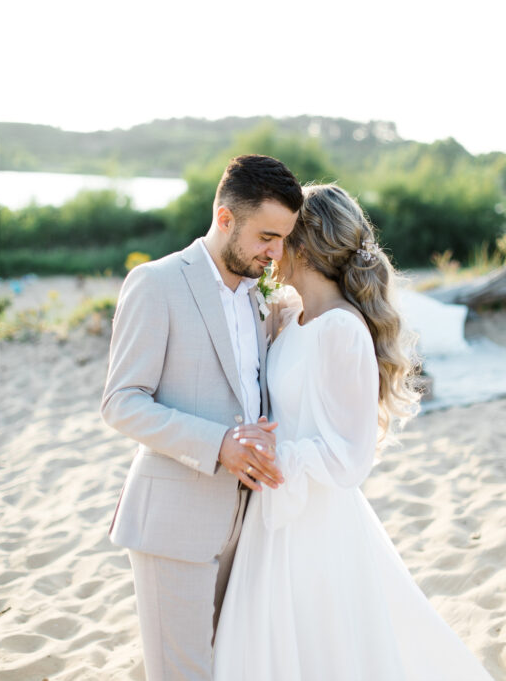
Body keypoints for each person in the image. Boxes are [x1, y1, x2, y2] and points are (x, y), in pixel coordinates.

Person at [212, 184, 493, 680]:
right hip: (274, 509)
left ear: (305, 245)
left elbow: (351, 456)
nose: (273, 249)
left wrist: (279, 454)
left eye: (282, 237)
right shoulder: (293, 317)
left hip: (313, 519)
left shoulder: (342, 329)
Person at [100, 154, 302, 680]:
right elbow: (121, 401)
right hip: (173, 523)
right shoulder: (156, 283)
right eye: (266, 236)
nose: (275, 253)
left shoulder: (261, 297)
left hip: (245, 523)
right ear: (225, 217)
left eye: (283, 239)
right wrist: (220, 444)